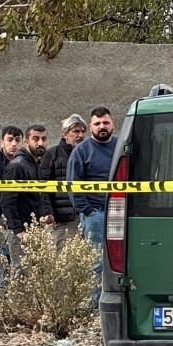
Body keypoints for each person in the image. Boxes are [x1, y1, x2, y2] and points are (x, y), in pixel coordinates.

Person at [68, 106, 116, 307]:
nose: (102, 126)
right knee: (96, 262)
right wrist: (87, 210)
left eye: (105, 122)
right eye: (97, 124)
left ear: (112, 124)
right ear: (91, 127)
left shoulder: (122, 146)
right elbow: (73, 185)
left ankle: (117, 303)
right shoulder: (81, 151)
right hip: (95, 215)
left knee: (120, 261)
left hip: (120, 213)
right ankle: (93, 305)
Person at [1, 124, 51, 268]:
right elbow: (7, 201)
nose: (40, 143)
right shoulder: (18, 165)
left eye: (44, 139)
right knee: (20, 274)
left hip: (35, 228)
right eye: (35, 139)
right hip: (21, 232)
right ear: (26, 142)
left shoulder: (35, 163)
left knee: (34, 274)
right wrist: (18, 230)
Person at [39, 114, 86, 250]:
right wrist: (48, 212)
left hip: (84, 216)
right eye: (76, 131)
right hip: (62, 219)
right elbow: (43, 186)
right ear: (65, 134)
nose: (81, 135)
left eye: (83, 131)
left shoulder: (87, 153)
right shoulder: (51, 155)